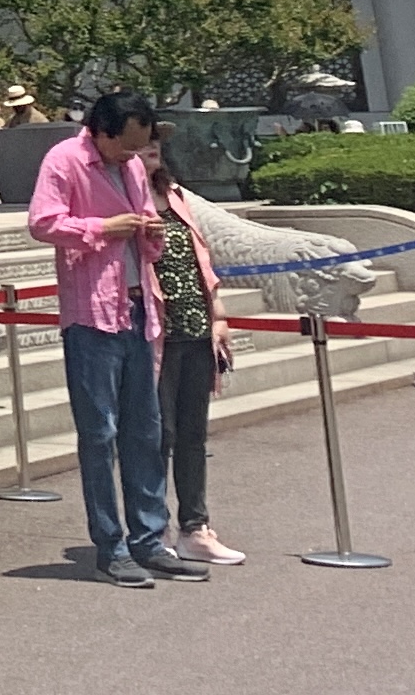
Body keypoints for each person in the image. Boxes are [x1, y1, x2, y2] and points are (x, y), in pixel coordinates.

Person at [28, 91, 202, 585]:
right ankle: (111, 545)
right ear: (100, 133)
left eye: (140, 146)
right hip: (91, 313)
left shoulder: (132, 168)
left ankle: (150, 540)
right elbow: (42, 222)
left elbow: (148, 234)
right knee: (99, 433)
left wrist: (150, 233)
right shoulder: (64, 159)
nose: (133, 155)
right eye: (126, 145)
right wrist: (103, 227)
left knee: (146, 430)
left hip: (139, 305)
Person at [143, 137, 245, 566]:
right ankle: (154, 528)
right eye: (141, 139)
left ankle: (195, 527)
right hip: (154, 332)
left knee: (192, 434)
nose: (150, 147)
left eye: (154, 140)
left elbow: (200, 260)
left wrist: (217, 314)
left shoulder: (176, 195)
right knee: (159, 434)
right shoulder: (122, 199)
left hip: (195, 328)